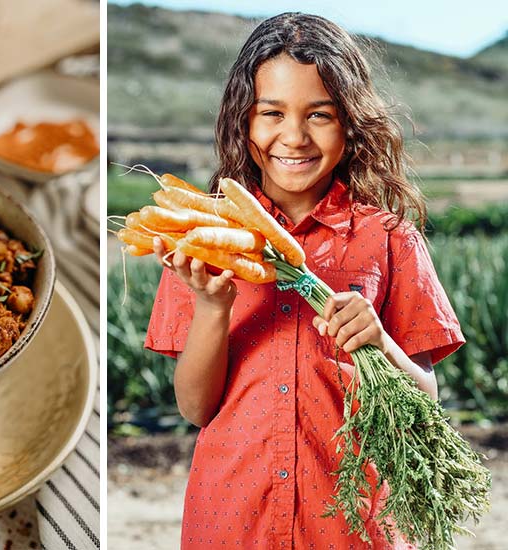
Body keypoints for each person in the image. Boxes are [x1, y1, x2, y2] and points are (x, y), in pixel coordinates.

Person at [144, 12, 465, 549]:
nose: (293, 137)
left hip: (352, 523)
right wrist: (211, 309)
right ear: (243, 122)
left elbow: (423, 399)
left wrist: (379, 341)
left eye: (320, 115)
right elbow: (196, 408)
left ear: (351, 122)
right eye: (271, 112)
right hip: (233, 517)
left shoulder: (389, 239)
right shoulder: (202, 239)